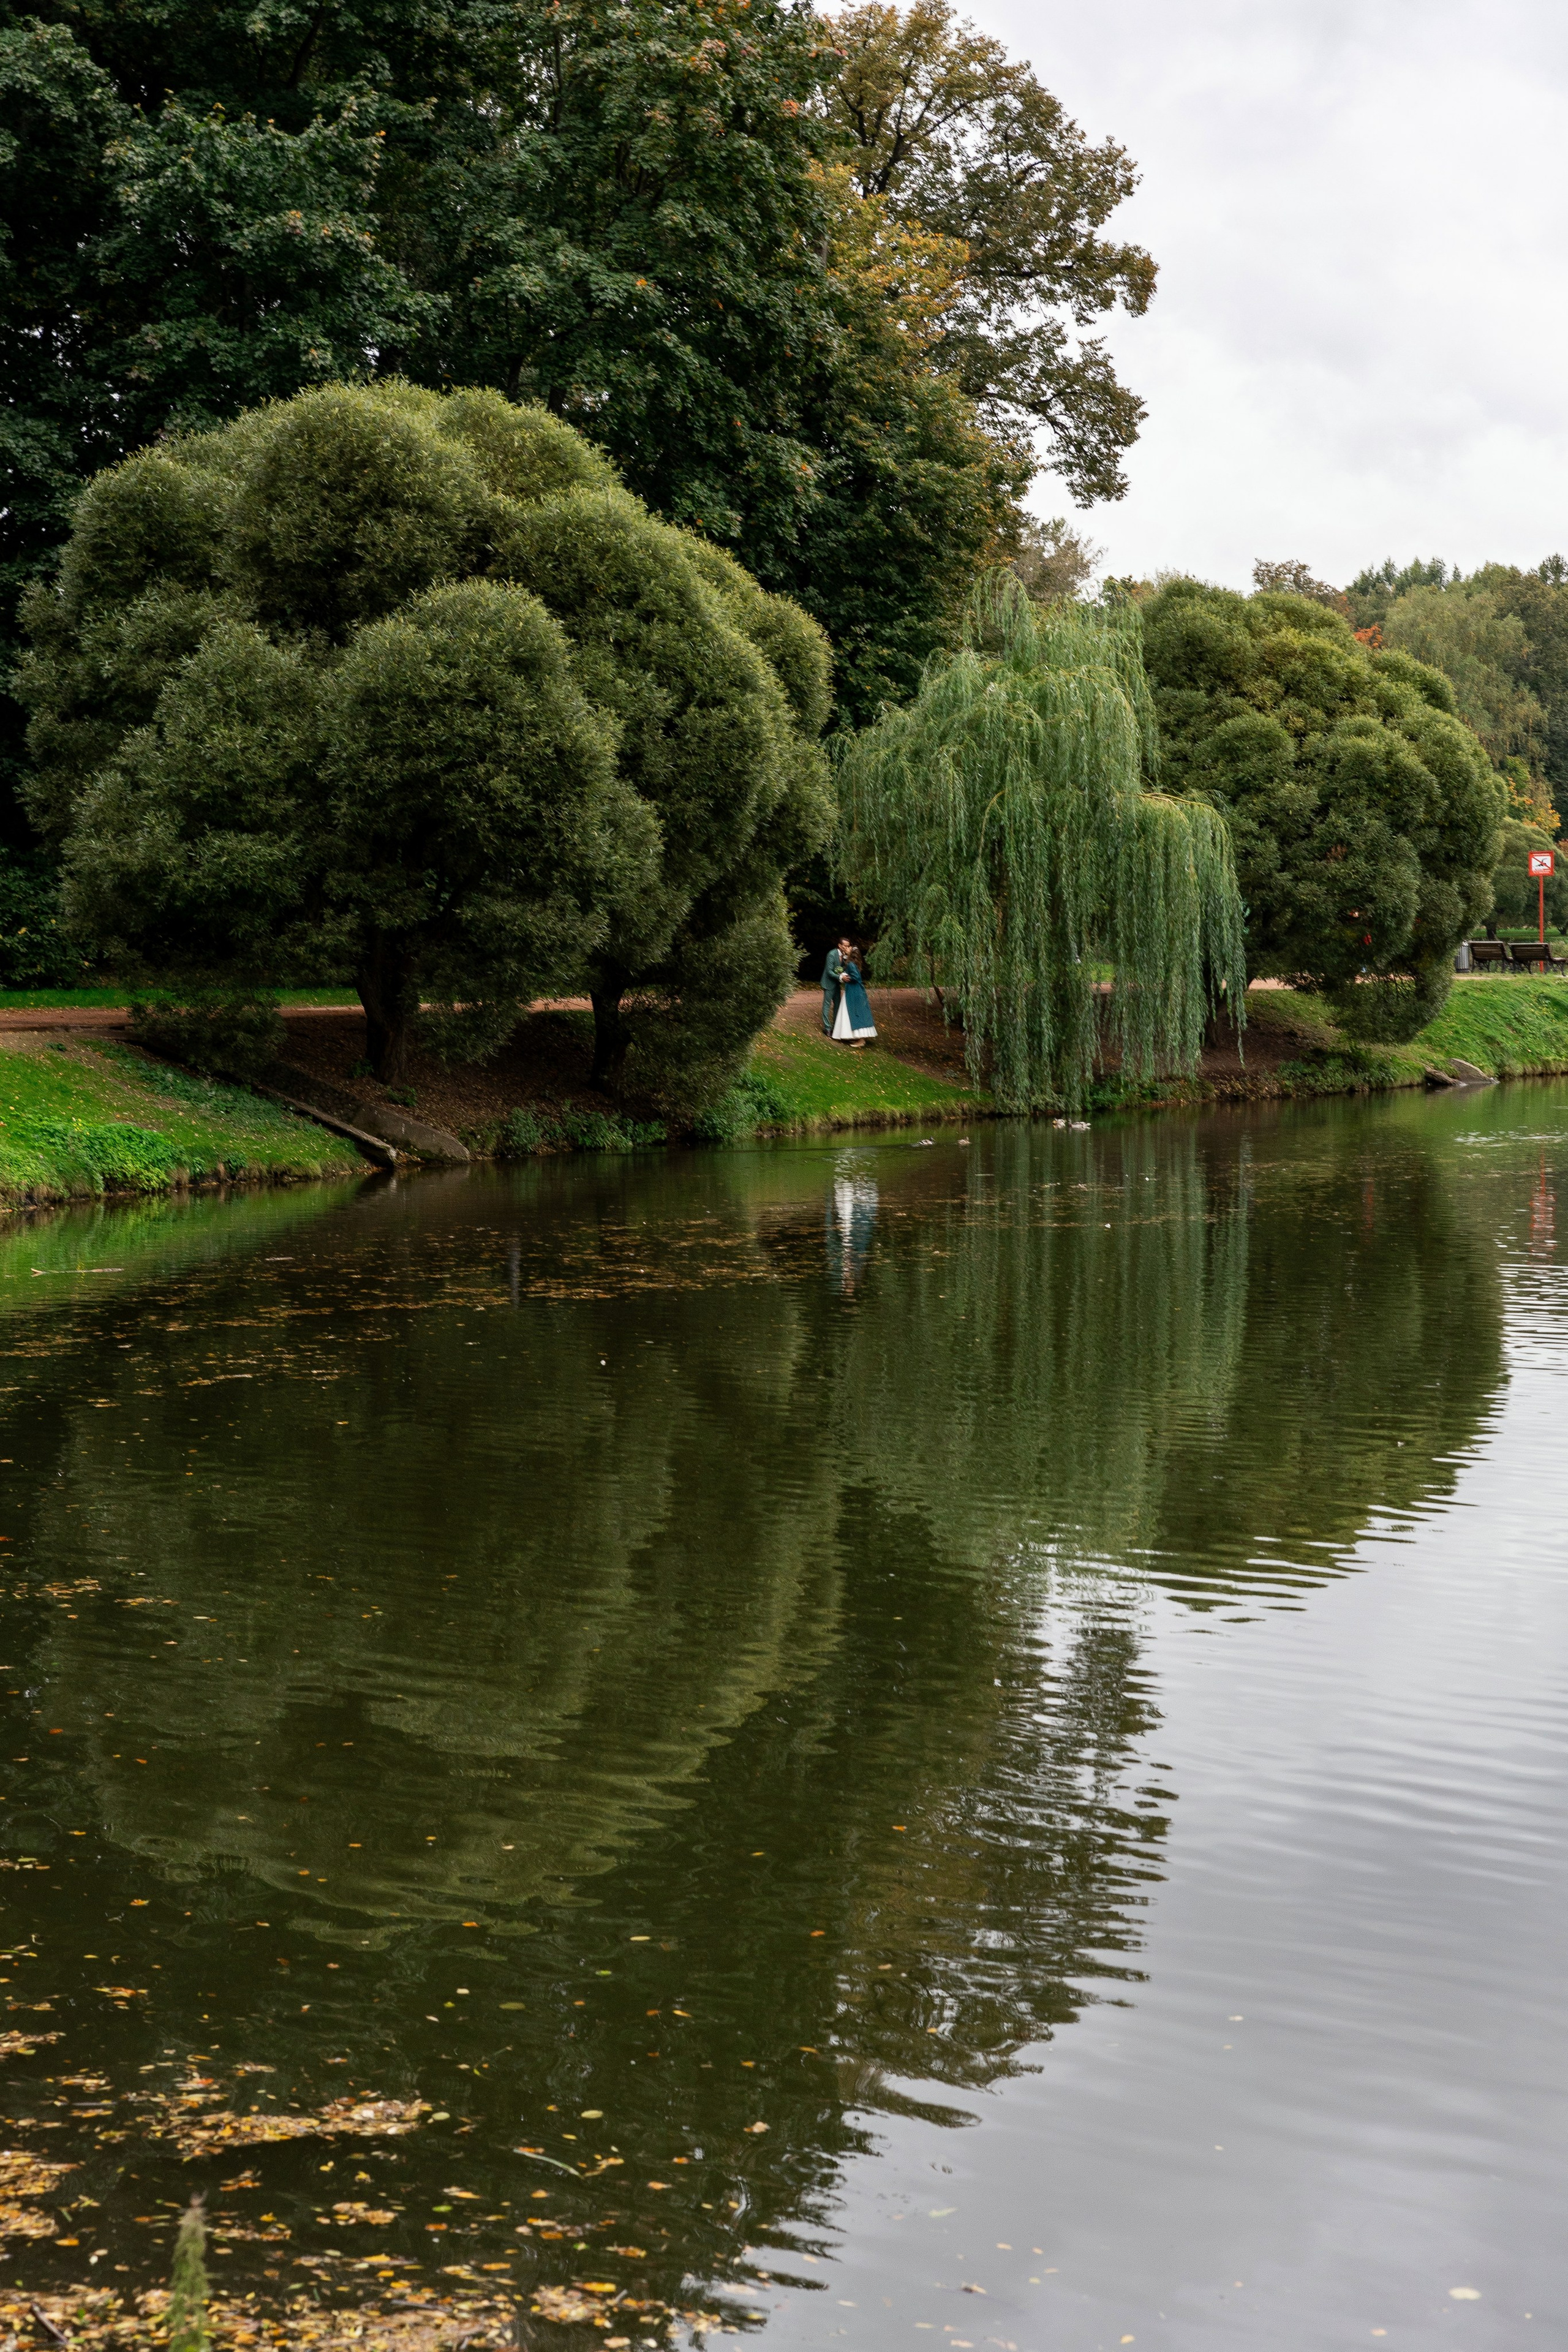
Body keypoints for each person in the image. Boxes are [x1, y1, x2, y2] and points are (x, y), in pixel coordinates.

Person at [821, 938, 877, 1046]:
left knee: (839, 1006)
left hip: (846, 987)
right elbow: (829, 971)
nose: (846, 948)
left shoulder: (849, 961)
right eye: (845, 946)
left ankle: (842, 1031)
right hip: (830, 983)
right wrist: (841, 976)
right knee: (827, 1004)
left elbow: (853, 974)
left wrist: (844, 976)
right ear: (840, 946)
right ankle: (827, 1028)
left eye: (848, 946)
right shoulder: (832, 954)